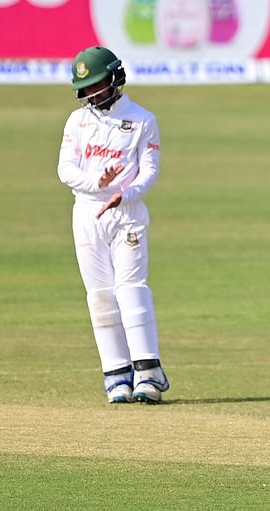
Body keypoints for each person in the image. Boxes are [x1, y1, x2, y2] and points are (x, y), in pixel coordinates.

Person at [57, 46, 170, 403]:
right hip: (88, 213)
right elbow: (65, 169)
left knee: (131, 288)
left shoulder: (142, 119)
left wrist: (128, 192)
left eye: (98, 84)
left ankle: (148, 374)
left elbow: (150, 169)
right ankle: (116, 375)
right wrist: (98, 184)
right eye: (87, 88)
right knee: (100, 296)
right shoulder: (77, 122)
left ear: (115, 78)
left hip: (127, 213)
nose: (93, 93)